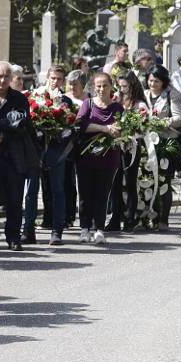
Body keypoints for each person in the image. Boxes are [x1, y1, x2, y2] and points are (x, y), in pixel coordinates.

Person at [0, 61, 39, 251]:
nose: (2, 80)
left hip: (13, 156)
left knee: (14, 199)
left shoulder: (19, 99)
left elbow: (23, 125)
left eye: (6, 76)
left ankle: (13, 237)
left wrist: (1, 135)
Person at [23, 65, 72, 245]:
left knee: (58, 190)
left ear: (63, 81)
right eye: (53, 78)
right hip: (35, 151)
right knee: (31, 191)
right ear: (47, 78)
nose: (55, 82)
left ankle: (57, 231)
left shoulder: (66, 101)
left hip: (56, 151)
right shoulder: (35, 96)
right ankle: (28, 230)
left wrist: (59, 131)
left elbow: (70, 126)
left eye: (59, 79)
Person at [75, 72, 124, 243]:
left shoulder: (118, 108)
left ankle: (99, 229)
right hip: (86, 157)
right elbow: (80, 125)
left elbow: (124, 130)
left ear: (111, 87)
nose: (102, 89)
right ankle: (84, 228)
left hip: (109, 157)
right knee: (85, 193)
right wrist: (104, 129)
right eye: (98, 86)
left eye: (105, 85)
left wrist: (119, 132)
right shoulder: (87, 104)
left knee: (102, 194)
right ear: (94, 87)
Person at [142, 65, 181, 231]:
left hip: (165, 144)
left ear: (164, 81)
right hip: (147, 143)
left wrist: (161, 122)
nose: (153, 84)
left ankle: (163, 219)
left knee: (163, 182)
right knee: (146, 181)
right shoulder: (144, 94)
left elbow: (179, 119)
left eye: (157, 81)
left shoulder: (172, 95)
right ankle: (146, 218)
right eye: (150, 80)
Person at [108, 71, 146, 232]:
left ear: (132, 85)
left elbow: (143, 126)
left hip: (132, 146)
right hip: (117, 144)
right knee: (115, 182)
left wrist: (130, 131)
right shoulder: (117, 100)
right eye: (120, 86)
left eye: (125, 86)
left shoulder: (139, 104)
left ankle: (130, 218)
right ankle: (115, 218)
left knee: (130, 182)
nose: (121, 89)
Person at [64, 70, 88, 226]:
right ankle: (69, 216)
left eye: (75, 84)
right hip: (67, 145)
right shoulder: (65, 99)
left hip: (85, 144)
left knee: (84, 182)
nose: (72, 87)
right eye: (70, 84)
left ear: (83, 85)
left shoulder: (90, 99)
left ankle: (86, 216)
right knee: (68, 181)